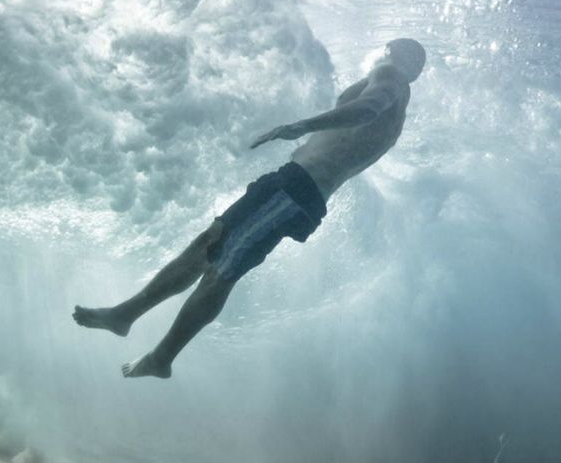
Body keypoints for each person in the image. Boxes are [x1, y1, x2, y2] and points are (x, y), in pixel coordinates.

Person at [73, 38, 426, 378]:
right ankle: (127, 316)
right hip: (294, 189)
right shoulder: (398, 114)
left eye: (386, 51)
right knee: (208, 246)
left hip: (296, 189)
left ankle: (161, 356)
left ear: (394, 53)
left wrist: (301, 125)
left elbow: (368, 108)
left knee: (220, 269)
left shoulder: (390, 76)